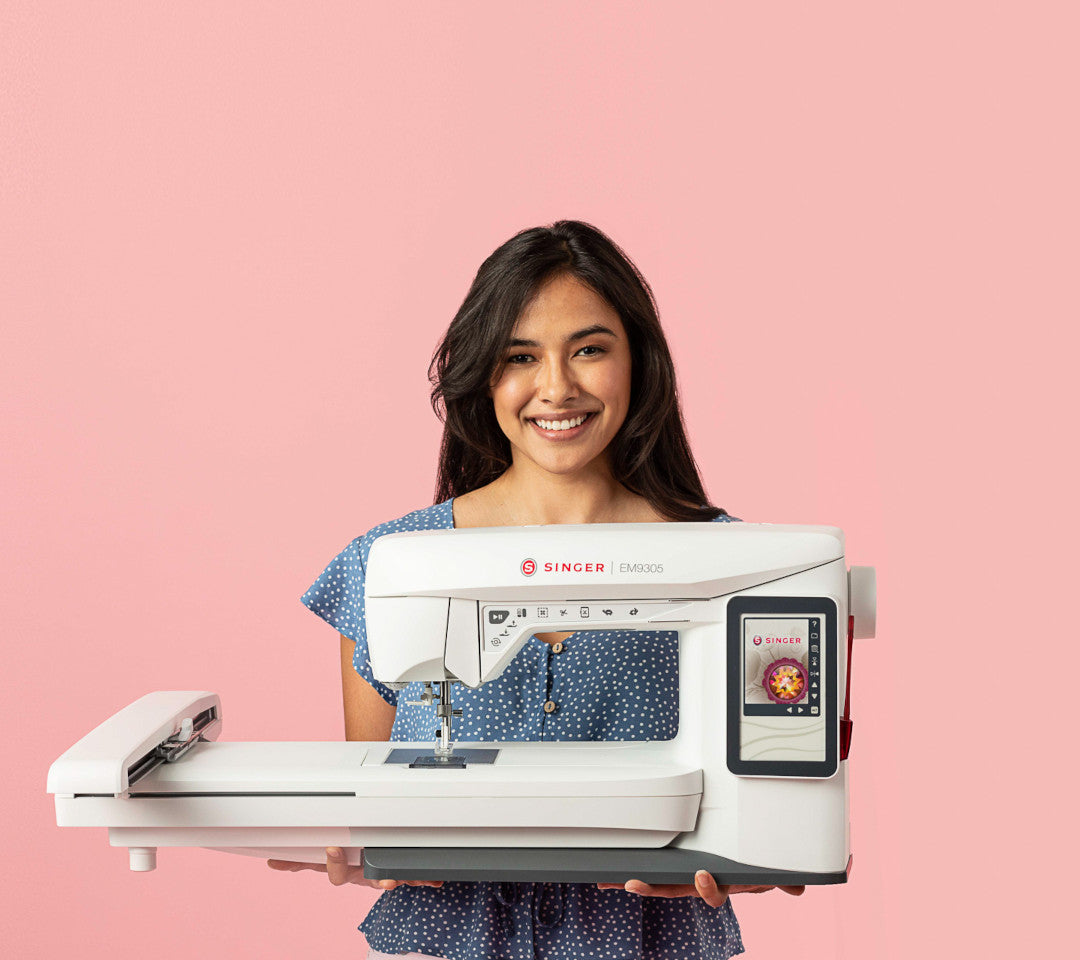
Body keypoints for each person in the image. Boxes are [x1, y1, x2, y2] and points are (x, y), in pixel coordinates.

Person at [269, 221, 803, 959]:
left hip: (650, 937)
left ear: (636, 363)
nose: (557, 387)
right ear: (484, 375)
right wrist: (350, 843)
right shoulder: (389, 564)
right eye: (521, 356)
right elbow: (373, 793)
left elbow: (781, 791)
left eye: (589, 349)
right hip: (450, 940)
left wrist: (767, 859)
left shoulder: (739, 567)